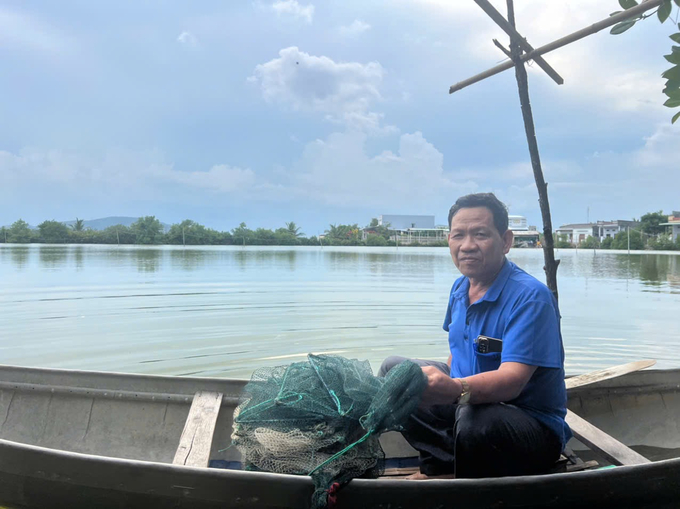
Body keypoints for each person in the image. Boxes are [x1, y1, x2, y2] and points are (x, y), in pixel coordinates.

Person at [379, 192, 571, 479]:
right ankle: (442, 463)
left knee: (475, 417)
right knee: (396, 371)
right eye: (458, 235)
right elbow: (458, 349)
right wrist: (437, 383)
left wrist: (455, 389)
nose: (467, 246)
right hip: (469, 404)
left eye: (480, 234)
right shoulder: (460, 288)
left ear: (506, 241)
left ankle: (468, 484)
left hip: (530, 424)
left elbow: (512, 382)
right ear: (449, 241)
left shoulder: (531, 298)